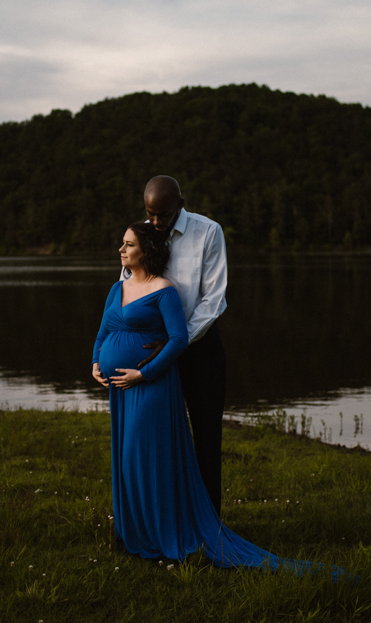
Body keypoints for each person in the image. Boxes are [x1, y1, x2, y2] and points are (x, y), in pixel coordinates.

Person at [91, 222, 312, 570]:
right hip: (119, 389)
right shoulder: (117, 287)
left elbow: (179, 340)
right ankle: (133, 533)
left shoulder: (164, 291)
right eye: (122, 243)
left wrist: (143, 373)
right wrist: (95, 361)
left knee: (143, 454)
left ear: (145, 251)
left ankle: (162, 533)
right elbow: (104, 330)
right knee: (127, 459)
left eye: (128, 245)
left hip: (149, 385)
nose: (121, 250)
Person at [94, 175, 229, 515]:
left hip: (199, 349)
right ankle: (165, 516)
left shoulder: (208, 232)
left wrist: (175, 342)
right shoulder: (141, 233)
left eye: (162, 215)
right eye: (149, 214)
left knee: (206, 436)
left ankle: (209, 520)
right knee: (156, 438)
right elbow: (128, 286)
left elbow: (213, 301)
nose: (155, 223)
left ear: (179, 205)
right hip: (150, 351)